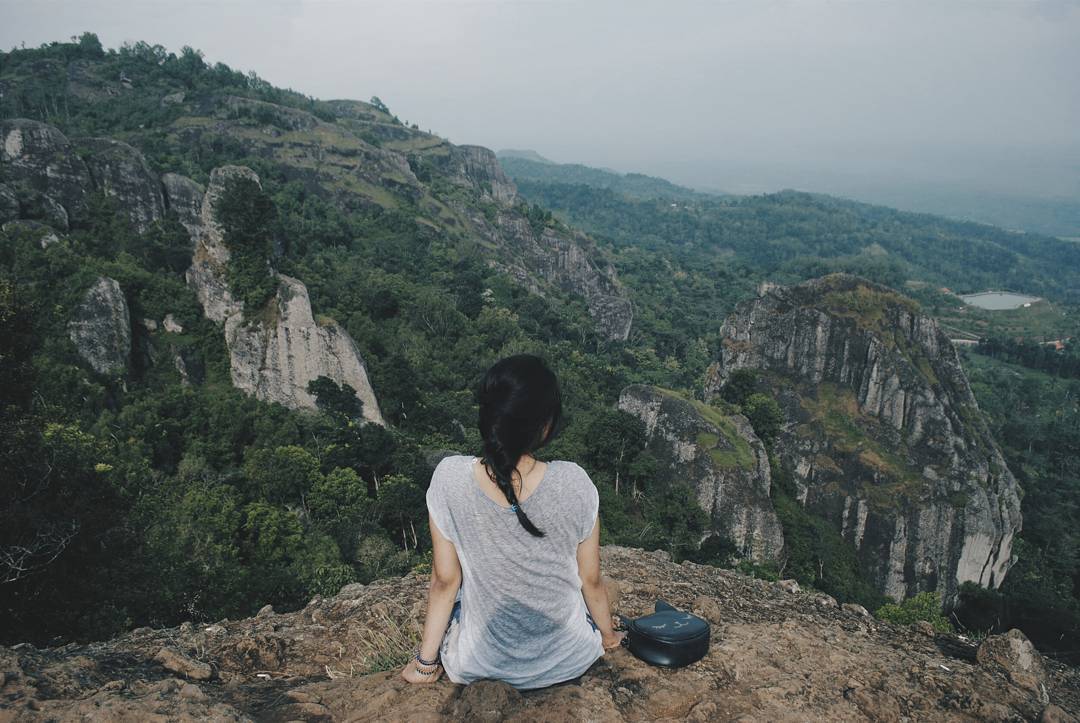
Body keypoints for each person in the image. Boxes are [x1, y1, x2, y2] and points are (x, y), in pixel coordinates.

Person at [400, 354, 624, 689]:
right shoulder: (575, 482)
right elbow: (589, 580)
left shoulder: (449, 478)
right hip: (567, 661)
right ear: (545, 425)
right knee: (593, 592)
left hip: (479, 665)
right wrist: (608, 638)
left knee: (463, 598)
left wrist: (425, 664)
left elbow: (445, 583)